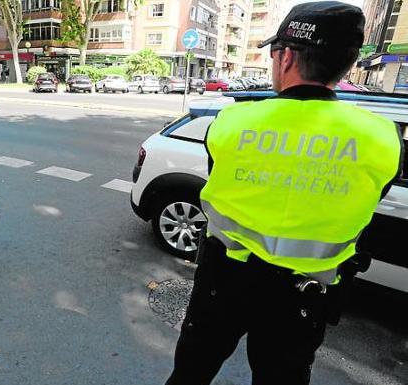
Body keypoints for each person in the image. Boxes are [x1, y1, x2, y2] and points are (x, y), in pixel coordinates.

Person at [164, 2, 404, 385]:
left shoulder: (232, 121)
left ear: (287, 56)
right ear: (346, 63)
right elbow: (369, 198)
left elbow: (221, 180)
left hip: (224, 280)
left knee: (192, 371)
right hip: (305, 293)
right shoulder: (383, 137)